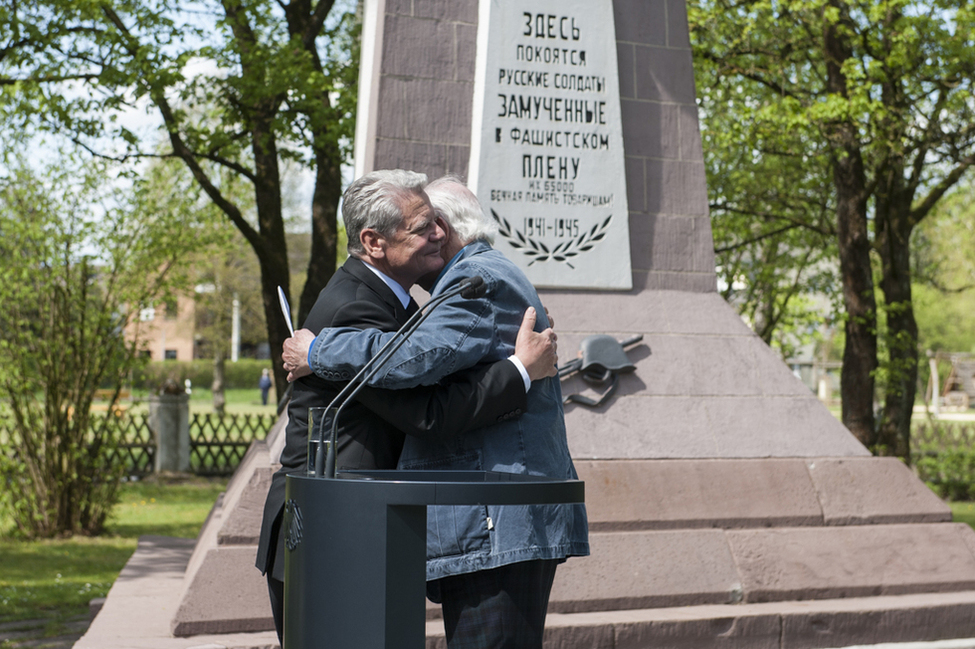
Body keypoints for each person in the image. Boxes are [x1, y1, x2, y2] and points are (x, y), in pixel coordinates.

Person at [283, 176, 589, 649]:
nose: (433, 238)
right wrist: (519, 369)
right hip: (476, 522)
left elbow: (419, 357)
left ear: (445, 226)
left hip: (494, 524)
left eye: (431, 227)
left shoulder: (476, 279)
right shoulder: (468, 279)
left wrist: (318, 351)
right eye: (421, 228)